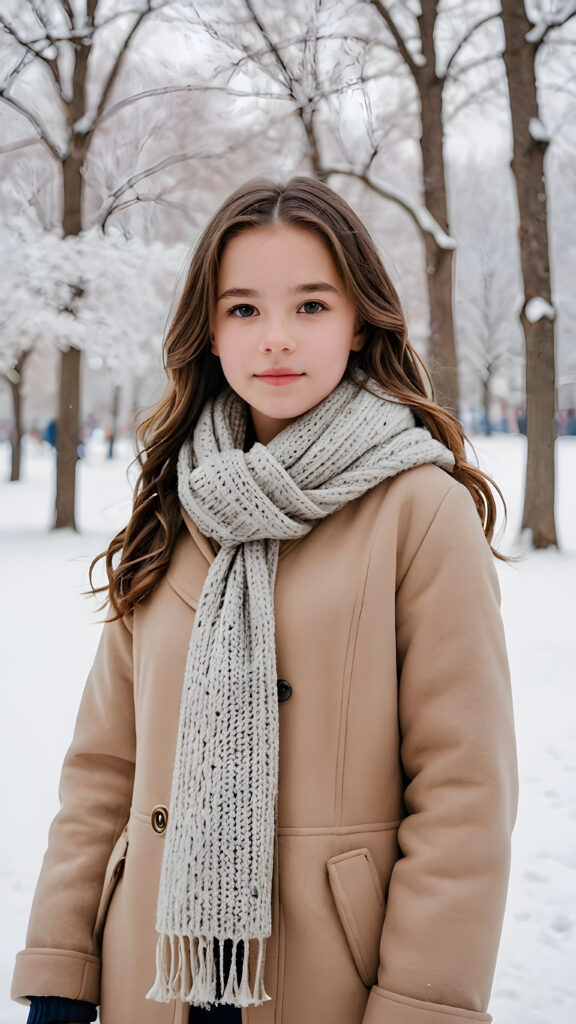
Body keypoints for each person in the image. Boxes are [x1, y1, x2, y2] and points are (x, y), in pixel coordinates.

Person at [11, 177, 518, 1024]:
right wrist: (62, 970)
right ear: (208, 331)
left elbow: (464, 793)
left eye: (311, 306)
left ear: (360, 321)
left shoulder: (420, 510)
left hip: (331, 984)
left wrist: (420, 1008)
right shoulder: (177, 501)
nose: (275, 339)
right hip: (153, 975)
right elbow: (104, 768)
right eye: (243, 309)